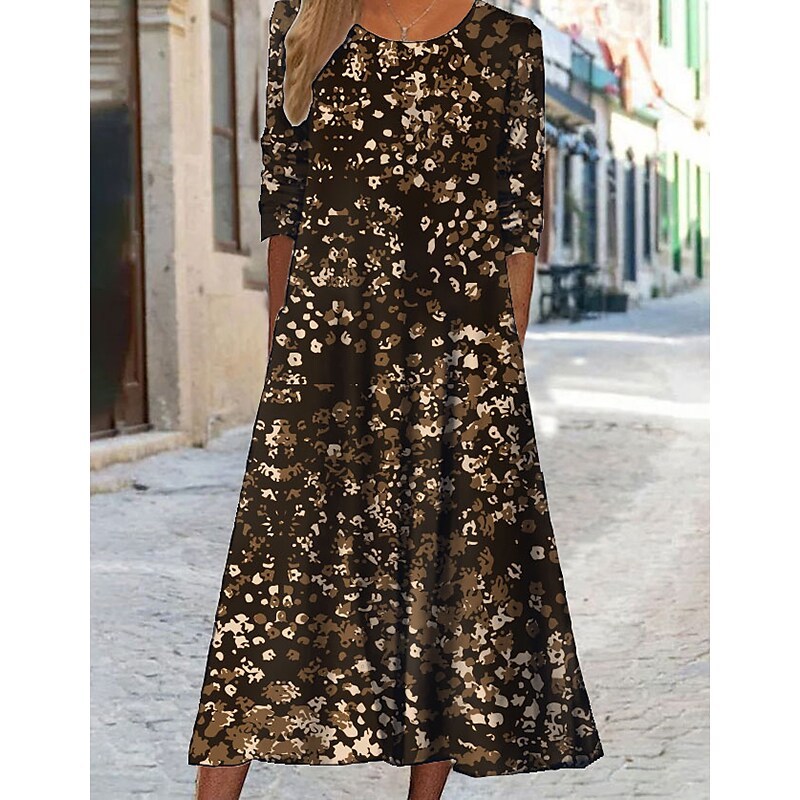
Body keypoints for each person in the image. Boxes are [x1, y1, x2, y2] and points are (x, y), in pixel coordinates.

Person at [188, 1, 604, 798]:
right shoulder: (304, 19)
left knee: (445, 585)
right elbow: (285, 206)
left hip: (459, 361)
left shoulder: (507, 44)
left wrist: (496, 379)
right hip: (326, 355)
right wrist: (286, 354)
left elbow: (517, 227)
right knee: (271, 588)